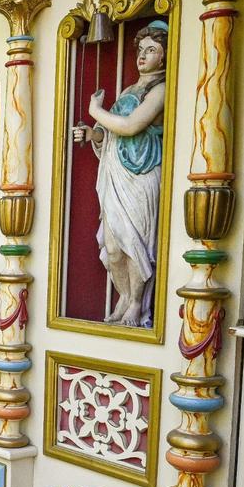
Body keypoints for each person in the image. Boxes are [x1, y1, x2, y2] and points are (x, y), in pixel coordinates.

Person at [71, 21, 168, 327]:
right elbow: (112, 132)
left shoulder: (162, 88)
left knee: (134, 243)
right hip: (114, 172)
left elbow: (131, 126)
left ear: (163, 57)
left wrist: (96, 111)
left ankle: (138, 303)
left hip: (141, 173)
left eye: (151, 50)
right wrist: (94, 134)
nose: (142, 55)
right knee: (113, 248)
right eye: (140, 49)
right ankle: (124, 296)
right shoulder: (129, 89)